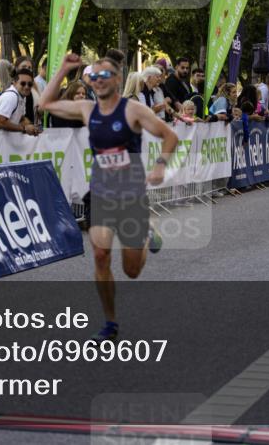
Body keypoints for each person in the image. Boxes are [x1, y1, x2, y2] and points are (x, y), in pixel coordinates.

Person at [41, 53, 178, 343]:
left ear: (117, 79)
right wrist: (63, 69)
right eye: (94, 76)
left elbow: (170, 136)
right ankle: (110, 323)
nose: (98, 81)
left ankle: (145, 235)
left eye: (104, 76)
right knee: (101, 256)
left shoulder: (133, 110)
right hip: (101, 193)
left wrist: (159, 166)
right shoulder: (87, 109)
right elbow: (46, 104)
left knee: (131, 270)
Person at [0, 67, 40, 135]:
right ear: (14, 83)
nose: (26, 87)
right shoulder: (11, 96)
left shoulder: (21, 97)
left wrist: (32, 127)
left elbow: (21, 118)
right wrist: (24, 128)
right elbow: (0, 123)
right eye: (23, 83)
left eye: (30, 84)